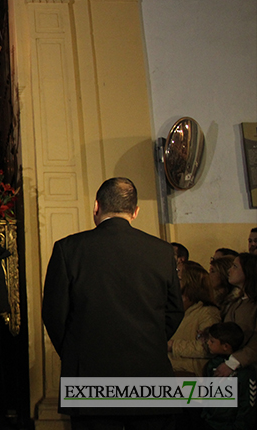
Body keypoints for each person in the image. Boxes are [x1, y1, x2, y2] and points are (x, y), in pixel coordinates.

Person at [42, 177, 183, 429]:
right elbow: (174, 310)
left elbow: (54, 314)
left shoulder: (68, 249)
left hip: (89, 375)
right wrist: (150, 340)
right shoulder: (162, 251)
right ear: (136, 211)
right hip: (150, 373)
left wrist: (76, 351)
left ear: (96, 207)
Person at [167, 262, 220, 376]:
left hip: (189, 373)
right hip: (170, 369)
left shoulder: (207, 312)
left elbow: (208, 347)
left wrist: (173, 345)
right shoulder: (173, 306)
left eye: (178, 273)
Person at [200, 322, 257, 430]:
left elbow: (247, 406)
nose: (208, 343)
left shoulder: (245, 373)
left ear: (226, 346)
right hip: (210, 423)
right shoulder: (213, 364)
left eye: (212, 341)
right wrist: (206, 415)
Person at [213, 253, 257, 378]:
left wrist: (233, 362)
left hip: (247, 369)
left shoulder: (253, 304)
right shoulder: (236, 301)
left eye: (235, 267)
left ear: (248, 272)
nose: (229, 270)